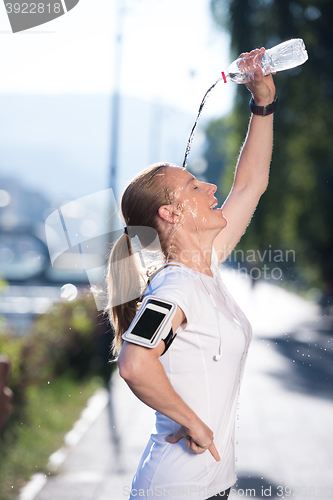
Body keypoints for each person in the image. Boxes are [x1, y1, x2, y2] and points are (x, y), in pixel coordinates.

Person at [106, 48, 276, 499]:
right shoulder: (175, 286)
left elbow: (250, 184)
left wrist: (262, 103)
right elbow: (135, 362)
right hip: (177, 489)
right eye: (194, 187)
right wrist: (192, 422)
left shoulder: (204, 266)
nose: (211, 188)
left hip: (209, 485)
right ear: (171, 213)